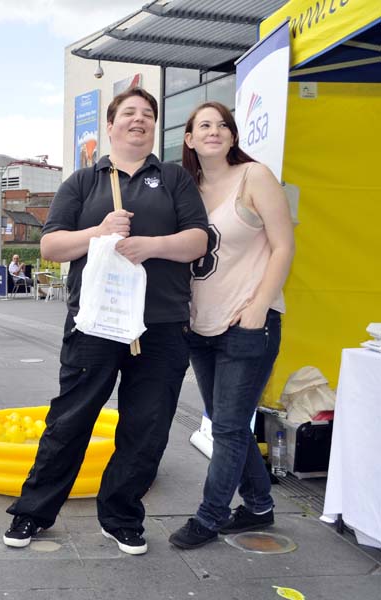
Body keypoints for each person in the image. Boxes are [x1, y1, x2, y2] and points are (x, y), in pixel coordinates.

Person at [2, 87, 208, 555]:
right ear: (111, 125)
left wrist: (150, 246)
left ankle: (120, 517)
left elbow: (197, 239)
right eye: (129, 113)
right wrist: (98, 232)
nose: (140, 120)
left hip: (160, 323)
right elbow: (51, 246)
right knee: (70, 419)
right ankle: (33, 512)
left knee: (147, 426)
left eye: (148, 114)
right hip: (95, 323)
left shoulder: (174, 178)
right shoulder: (82, 182)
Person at [168, 101, 295, 549]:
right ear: (189, 139)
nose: (215, 131)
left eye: (223, 124)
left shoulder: (255, 176)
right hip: (200, 325)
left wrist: (260, 305)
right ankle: (259, 505)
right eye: (204, 125)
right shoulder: (188, 189)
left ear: (233, 135)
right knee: (230, 423)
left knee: (225, 428)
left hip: (248, 321)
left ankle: (210, 516)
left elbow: (283, 246)